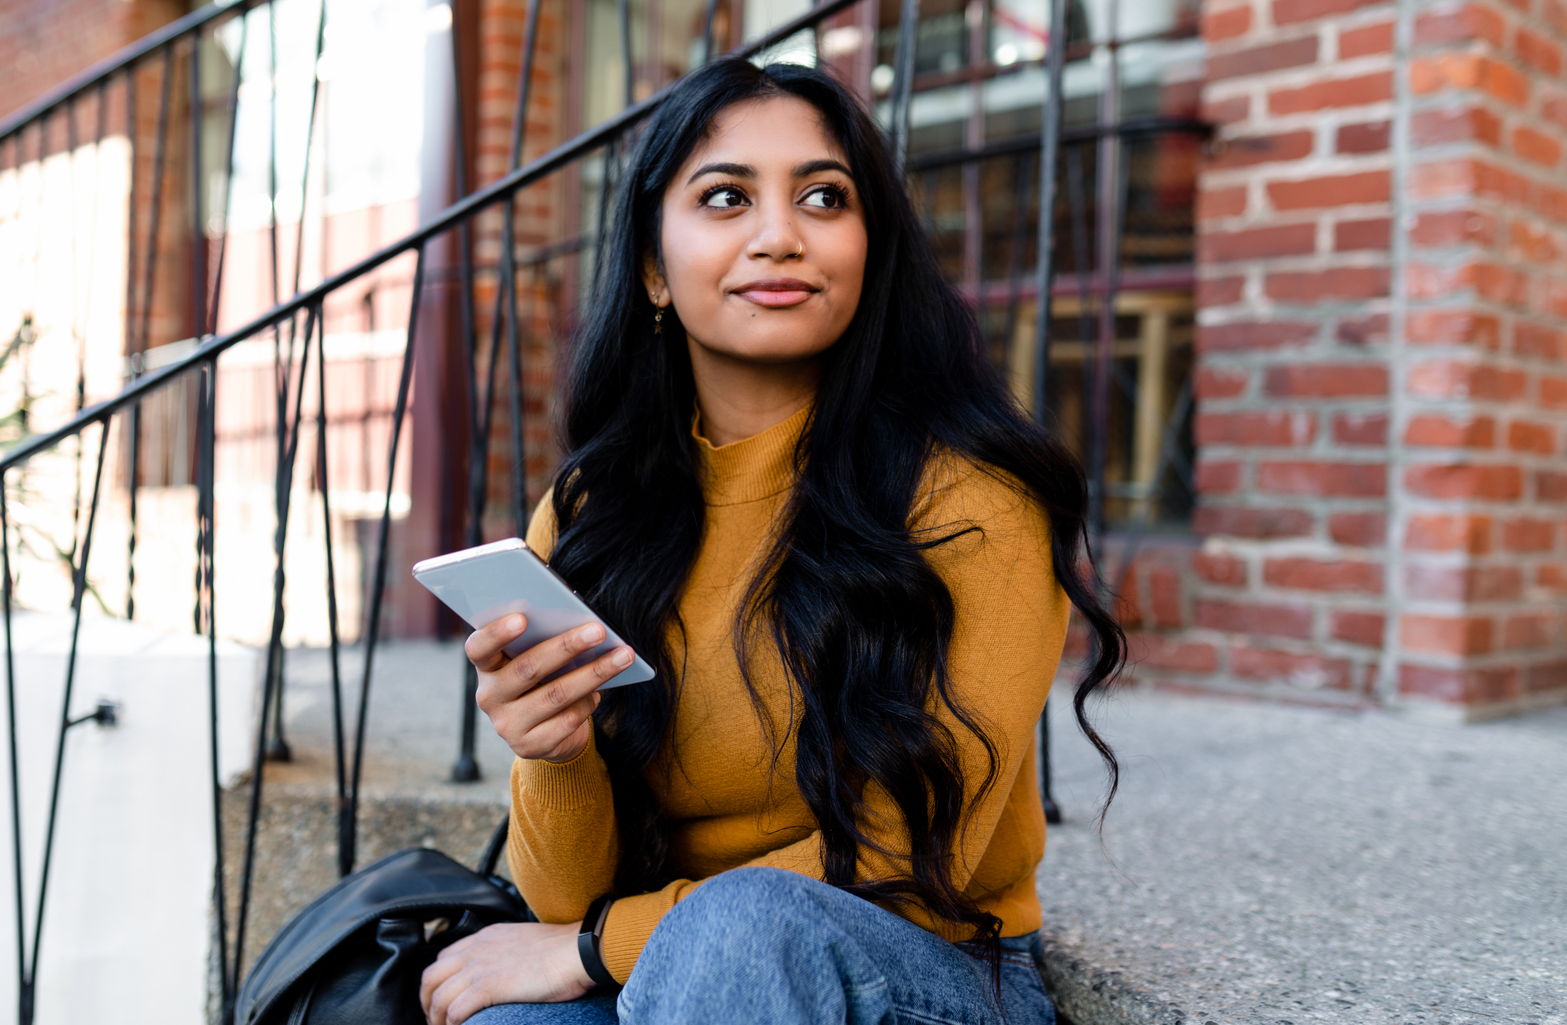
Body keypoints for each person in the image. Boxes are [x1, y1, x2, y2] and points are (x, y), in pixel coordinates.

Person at [418, 58, 1124, 1025]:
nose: (780, 235)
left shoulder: (975, 495)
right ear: (655, 270)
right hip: (685, 971)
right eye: (725, 197)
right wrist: (552, 751)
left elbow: (911, 854)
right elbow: (561, 901)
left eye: (823, 197)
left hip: (928, 967)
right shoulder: (594, 509)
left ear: (868, 249)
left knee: (742, 928)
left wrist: (594, 948)